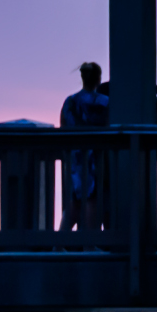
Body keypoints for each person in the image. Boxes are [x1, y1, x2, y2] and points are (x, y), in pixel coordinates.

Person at [60, 62, 111, 231]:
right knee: (92, 198)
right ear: (98, 78)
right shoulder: (104, 102)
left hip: (75, 155)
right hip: (95, 154)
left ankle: (59, 242)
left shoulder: (71, 101)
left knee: (75, 199)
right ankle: (89, 241)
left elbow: (64, 126)